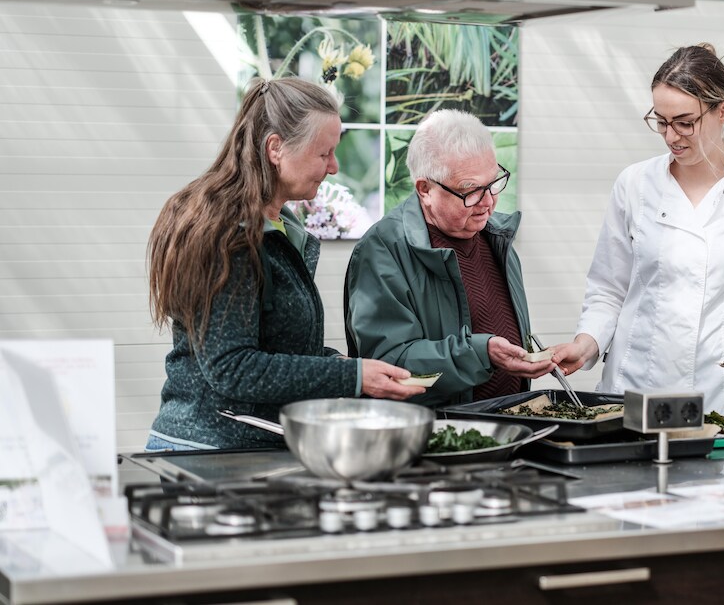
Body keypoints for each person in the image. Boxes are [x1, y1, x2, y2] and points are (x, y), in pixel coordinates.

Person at [145, 77, 424, 451]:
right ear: (276, 148)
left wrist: (342, 365)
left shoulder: (279, 226)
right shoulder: (230, 235)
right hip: (208, 454)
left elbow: (273, 346)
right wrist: (350, 376)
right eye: (323, 153)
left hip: (249, 448)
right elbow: (232, 367)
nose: (334, 166)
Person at [554, 43, 724, 416]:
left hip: (718, 394)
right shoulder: (634, 184)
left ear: (723, 109)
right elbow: (608, 289)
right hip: (633, 388)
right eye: (660, 121)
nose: (671, 136)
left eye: (684, 122)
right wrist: (587, 342)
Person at [344, 109, 555, 408]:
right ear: (425, 189)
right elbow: (390, 365)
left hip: (510, 428)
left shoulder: (497, 237)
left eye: (493, 183)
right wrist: (481, 354)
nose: (488, 202)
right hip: (439, 438)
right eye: (470, 190)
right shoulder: (383, 250)